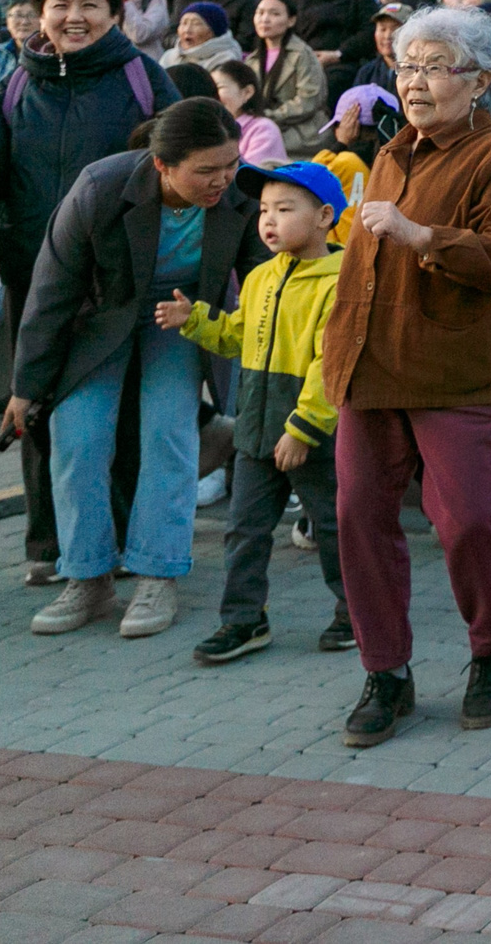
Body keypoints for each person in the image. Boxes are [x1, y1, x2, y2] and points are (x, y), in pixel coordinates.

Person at [326, 6, 491, 746]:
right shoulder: (391, 153)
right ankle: (385, 670)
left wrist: (423, 236)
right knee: (358, 515)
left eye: (433, 65)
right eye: (406, 65)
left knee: (469, 520)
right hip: (372, 362)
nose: (414, 81)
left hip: (460, 367)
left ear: (478, 80)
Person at [4, 97, 266, 637]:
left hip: (183, 319)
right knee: (76, 436)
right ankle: (88, 577)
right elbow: (51, 291)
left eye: (230, 164)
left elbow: (265, 281)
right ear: (161, 164)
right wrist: (25, 386)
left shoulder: (244, 193)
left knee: (169, 431)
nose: (223, 180)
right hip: (101, 322)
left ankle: (158, 573)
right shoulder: (100, 188)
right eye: (206, 171)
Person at [0, 0, 180, 585]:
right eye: (61, 5)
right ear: (40, 14)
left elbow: (180, 164)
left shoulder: (142, 77)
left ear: (114, 14)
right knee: (34, 402)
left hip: (120, 280)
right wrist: (4, 230)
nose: (74, 17)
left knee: (117, 413)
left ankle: (117, 542)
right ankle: (49, 544)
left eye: (90, 5)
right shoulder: (16, 82)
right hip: (33, 275)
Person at [163, 160, 354, 662]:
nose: (268, 220)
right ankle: (244, 620)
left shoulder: (341, 283)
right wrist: (196, 320)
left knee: (334, 529)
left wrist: (304, 428)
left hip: (310, 436)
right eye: (264, 209)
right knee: (244, 530)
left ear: (324, 217)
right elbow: (239, 337)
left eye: (284, 209)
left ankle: (355, 614)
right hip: (255, 430)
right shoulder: (261, 278)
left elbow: (329, 366)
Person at [244, 0, 329, 155]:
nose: (265, 19)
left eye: (274, 14)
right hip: (264, 128)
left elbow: (308, 100)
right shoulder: (252, 60)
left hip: (300, 133)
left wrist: (269, 116)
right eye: (260, 13)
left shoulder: (303, 54)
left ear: (291, 20)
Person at [209, 58, 287, 164]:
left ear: (247, 92)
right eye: (210, 89)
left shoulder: (263, 129)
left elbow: (250, 174)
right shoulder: (210, 127)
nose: (213, 95)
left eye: (219, 87)